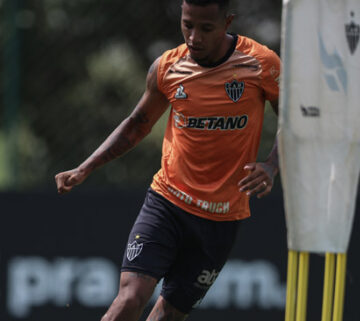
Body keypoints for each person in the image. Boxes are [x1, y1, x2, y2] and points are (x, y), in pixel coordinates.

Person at [54, 0, 280, 320]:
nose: (194, 37)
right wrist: (85, 167)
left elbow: (294, 121)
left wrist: (272, 164)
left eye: (206, 28)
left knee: (168, 315)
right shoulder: (168, 67)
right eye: (187, 25)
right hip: (168, 202)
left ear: (227, 22)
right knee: (130, 298)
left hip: (222, 219)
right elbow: (137, 124)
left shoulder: (261, 63)